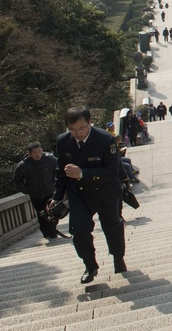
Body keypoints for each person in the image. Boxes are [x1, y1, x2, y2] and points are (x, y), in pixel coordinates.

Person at [48, 107, 126, 284]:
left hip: (105, 191)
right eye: (73, 130)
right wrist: (56, 196)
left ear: (90, 122)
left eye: (82, 128)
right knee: (80, 230)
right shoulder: (63, 141)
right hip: (79, 193)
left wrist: (83, 173)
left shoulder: (105, 140)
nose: (78, 133)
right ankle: (90, 266)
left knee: (112, 226)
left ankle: (118, 257)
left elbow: (112, 172)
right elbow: (61, 170)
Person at [13, 142, 60, 239]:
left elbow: (59, 174)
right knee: (41, 214)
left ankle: (52, 231)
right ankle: (46, 232)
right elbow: (17, 180)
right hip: (36, 195)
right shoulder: (23, 165)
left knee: (52, 213)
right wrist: (27, 190)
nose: (38, 154)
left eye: (39, 151)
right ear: (29, 153)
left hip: (50, 192)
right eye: (34, 153)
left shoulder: (51, 160)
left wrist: (58, 187)